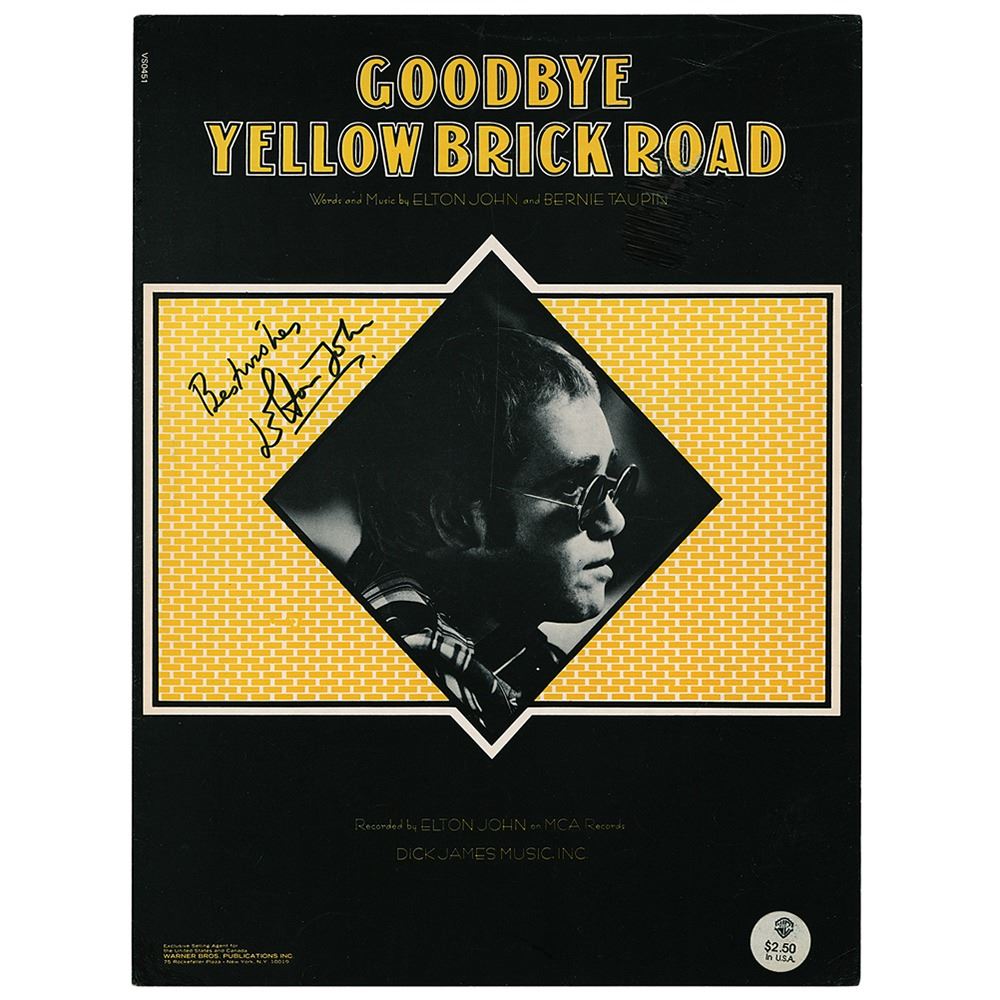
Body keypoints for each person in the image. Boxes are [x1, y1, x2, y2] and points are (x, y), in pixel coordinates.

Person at [347, 328, 637, 740]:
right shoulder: (417, 667)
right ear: (456, 520)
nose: (613, 521)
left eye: (609, 484)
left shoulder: (505, 647)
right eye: (573, 488)